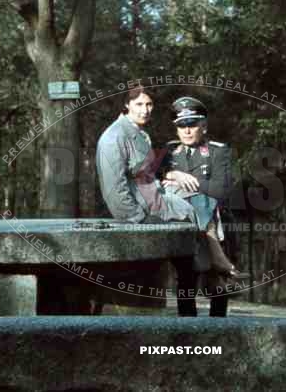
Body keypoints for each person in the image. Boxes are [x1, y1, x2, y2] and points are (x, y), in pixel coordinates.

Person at [96, 87, 200, 317]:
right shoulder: (115, 136)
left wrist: (174, 177)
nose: (145, 110)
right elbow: (114, 189)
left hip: (158, 204)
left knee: (199, 211)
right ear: (127, 106)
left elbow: (147, 173)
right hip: (143, 215)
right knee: (187, 253)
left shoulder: (138, 133)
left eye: (149, 105)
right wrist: (139, 220)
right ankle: (189, 316)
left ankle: (192, 316)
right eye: (139, 105)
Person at [160, 96, 246, 317]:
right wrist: (171, 173)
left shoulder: (218, 151)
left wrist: (186, 184)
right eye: (181, 126)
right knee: (186, 278)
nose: (187, 131)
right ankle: (187, 333)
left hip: (217, 223)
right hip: (185, 226)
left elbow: (221, 190)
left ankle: (218, 330)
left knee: (217, 285)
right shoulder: (169, 152)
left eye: (192, 125)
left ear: (204, 126)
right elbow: (150, 178)